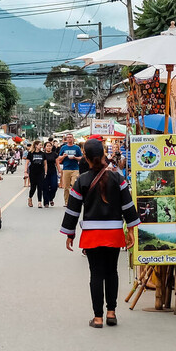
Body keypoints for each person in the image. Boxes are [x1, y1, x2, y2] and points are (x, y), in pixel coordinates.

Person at [60, 139, 140, 329]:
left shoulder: (82, 180)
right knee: (112, 272)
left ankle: (97, 318)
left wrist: (70, 233)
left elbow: (73, 210)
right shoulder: (117, 178)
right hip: (113, 233)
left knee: (96, 274)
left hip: (92, 234)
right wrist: (130, 230)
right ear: (104, 155)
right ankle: (111, 312)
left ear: (85, 158)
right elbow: (127, 205)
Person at [57, 133, 83, 206]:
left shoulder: (77, 148)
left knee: (74, 185)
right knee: (66, 187)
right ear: (66, 139)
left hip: (75, 169)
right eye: (68, 137)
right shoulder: (63, 148)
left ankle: (74, 201)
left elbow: (81, 158)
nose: (69, 139)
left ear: (73, 138)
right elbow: (59, 158)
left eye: (70, 137)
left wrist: (75, 158)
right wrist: (64, 156)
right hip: (66, 168)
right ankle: (67, 202)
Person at [26, 141, 47, 208]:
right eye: (40, 145)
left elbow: (45, 163)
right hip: (33, 172)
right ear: (36, 145)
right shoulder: (31, 153)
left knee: (40, 187)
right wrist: (25, 171)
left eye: (41, 145)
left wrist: (45, 172)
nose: (41, 146)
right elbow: (27, 163)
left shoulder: (43, 154)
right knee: (33, 187)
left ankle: (39, 202)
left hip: (41, 172)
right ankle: (30, 198)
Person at [43, 140, 60, 207]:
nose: (49, 147)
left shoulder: (54, 154)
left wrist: (59, 171)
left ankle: (51, 198)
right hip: (44, 173)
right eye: (47, 146)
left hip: (53, 172)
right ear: (45, 147)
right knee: (45, 188)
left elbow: (57, 164)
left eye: (50, 146)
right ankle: (46, 202)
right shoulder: (43, 154)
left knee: (54, 186)